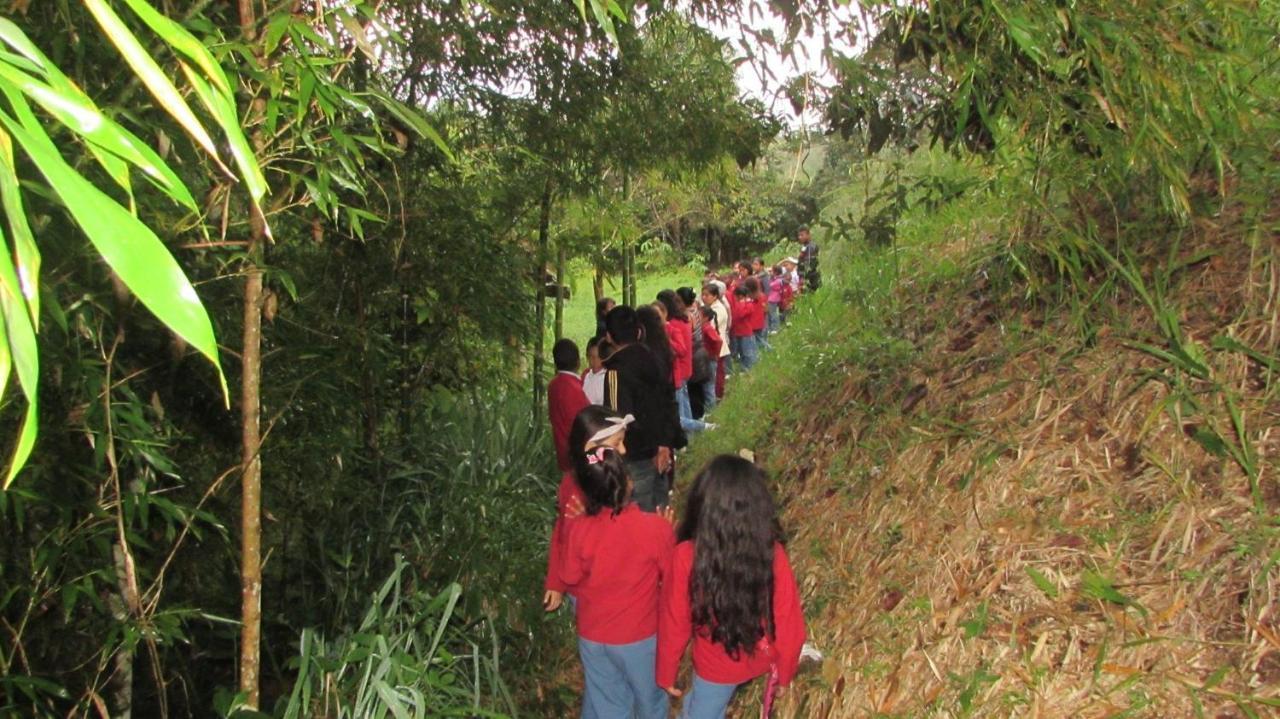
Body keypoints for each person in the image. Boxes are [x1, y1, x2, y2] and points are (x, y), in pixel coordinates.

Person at [657, 455, 806, 718]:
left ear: (702, 505)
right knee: (697, 706)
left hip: (716, 669)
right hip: (761, 655)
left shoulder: (685, 556)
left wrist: (666, 670)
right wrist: (785, 672)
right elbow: (788, 620)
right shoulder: (772, 553)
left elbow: (675, 621)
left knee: (704, 709)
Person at [558, 407, 675, 719]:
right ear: (627, 484)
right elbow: (672, 574)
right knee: (650, 701)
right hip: (640, 637)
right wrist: (667, 533)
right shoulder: (654, 529)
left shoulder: (580, 526)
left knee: (608, 705)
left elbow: (569, 575)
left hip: (594, 636)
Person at [603, 306, 683, 512]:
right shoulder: (655, 359)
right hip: (661, 451)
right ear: (638, 332)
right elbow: (668, 402)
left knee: (639, 520)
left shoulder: (615, 372)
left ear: (609, 336)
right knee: (661, 515)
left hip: (634, 456)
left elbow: (617, 421)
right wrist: (663, 444)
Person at [657, 291, 709, 434]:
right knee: (685, 405)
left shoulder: (672, 325)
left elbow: (680, 349)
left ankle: (696, 430)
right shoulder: (684, 319)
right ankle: (691, 435)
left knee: (680, 410)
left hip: (678, 370)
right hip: (686, 367)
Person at [548, 339, 590, 473]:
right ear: (578, 361)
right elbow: (583, 424)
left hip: (562, 450)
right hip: (577, 454)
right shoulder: (574, 388)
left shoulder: (553, 385)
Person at [700, 284, 731, 399]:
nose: (704, 297)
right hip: (716, 344)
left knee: (717, 374)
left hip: (716, 345)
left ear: (715, 296)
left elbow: (711, 328)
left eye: (707, 295)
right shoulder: (711, 307)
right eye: (702, 295)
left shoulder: (717, 309)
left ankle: (717, 396)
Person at [696, 305, 722, 411]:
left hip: (709, 360)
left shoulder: (707, 328)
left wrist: (714, 354)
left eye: (699, 316)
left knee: (709, 385)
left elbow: (718, 341)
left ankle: (711, 409)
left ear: (705, 318)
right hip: (707, 359)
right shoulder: (704, 327)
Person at [728, 285, 758, 372]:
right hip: (738, 332)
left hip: (746, 332)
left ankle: (748, 368)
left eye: (736, 296)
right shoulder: (740, 304)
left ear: (740, 296)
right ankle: (744, 366)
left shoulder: (749, 305)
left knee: (747, 351)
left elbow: (740, 314)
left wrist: (741, 303)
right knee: (741, 351)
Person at [582, 336, 608, 405]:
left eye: (597, 357)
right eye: (590, 356)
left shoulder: (607, 379)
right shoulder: (586, 375)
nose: (593, 361)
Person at [766, 266, 784, 335]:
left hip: (773, 299)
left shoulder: (779, 281)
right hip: (770, 298)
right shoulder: (774, 279)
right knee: (769, 314)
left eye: (771, 271)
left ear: (776, 272)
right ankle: (770, 328)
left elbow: (770, 285)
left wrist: (770, 278)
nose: (770, 273)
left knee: (773, 314)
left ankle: (775, 328)